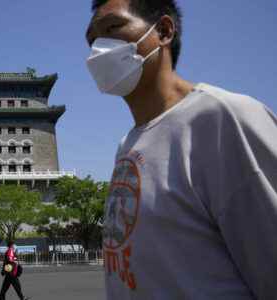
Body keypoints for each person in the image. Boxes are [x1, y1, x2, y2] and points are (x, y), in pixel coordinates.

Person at [84, 0, 277, 299]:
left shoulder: (224, 118)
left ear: (163, 31)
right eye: (92, 40)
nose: (99, 48)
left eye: (112, 28)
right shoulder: (128, 144)